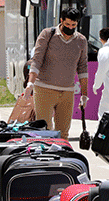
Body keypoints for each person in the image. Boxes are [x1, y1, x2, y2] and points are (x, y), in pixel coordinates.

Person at [24, 8, 88, 139]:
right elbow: (37, 60)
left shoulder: (81, 40)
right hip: (44, 89)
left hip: (67, 92)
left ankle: (61, 157)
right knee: (45, 130)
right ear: (61, 21)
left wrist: (84, 95)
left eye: (73, 25)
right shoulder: (48, 34)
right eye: (67, 24)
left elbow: (82, 68)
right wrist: (30, 83)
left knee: (63, 132)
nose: (70, 28)